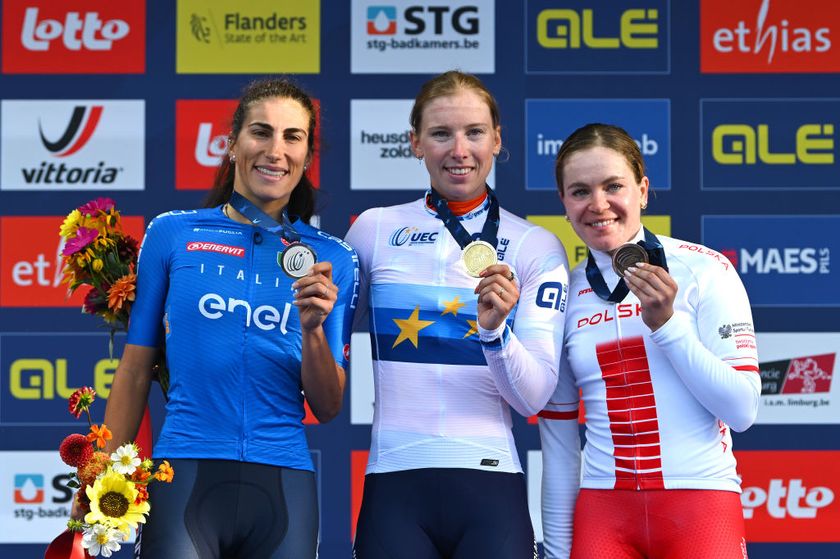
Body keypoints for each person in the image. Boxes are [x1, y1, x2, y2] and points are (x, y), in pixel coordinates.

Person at [96, 78, 358, 558]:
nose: (275, 150)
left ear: (307, 153)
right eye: (261, 132)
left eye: (292, 137)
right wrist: (101, 476)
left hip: (283, 483)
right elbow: (134, 370)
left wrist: (313, 330)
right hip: (184, 473)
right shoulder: (172, 234)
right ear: (232, 143)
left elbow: (329, 406)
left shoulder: (332, 259)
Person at [345, 70, 572, 559]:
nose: (459, 149)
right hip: (394, 482)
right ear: (415, 143)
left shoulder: (536, 246)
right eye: (441, 134)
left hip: (491, 486)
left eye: (473, 132)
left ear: (496, 140)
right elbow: (323, 354)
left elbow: (532, 397)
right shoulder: (374, 230)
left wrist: (494, 334)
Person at [539, 123, 761, 559]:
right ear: (564, 205)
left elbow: (742, 410)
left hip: (700, 503)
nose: (599, 205)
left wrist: (667, 325)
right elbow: (560, 443)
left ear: (642, 190)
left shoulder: (705, 270)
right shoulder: (561, 295)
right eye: (580, 191)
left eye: (613, 186)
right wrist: (559, 550)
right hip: (604, 513)